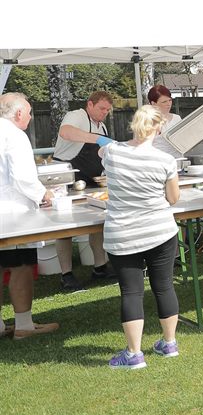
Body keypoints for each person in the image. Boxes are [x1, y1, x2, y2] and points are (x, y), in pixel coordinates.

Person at [100, 105, 182, 367]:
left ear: (134, 124)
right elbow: (173, 198)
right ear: (158, 128)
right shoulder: (165, 160)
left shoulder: (113, 152)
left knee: (131, 292)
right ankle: (169, 343)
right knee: (164, 286)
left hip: (123, 233)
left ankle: (134, 353)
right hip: (159, 230)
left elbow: (102, 149)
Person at [0, 93, 59, 340]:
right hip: (13, 213)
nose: (32, 117)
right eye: (30, 112)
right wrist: (44, 194)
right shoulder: (14, 135)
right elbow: (23, 177)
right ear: (19, 114)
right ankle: (24, 325)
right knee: (21, 266)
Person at [52, 90, 116, 292]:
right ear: (90, 104)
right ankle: (66, 274)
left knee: (97, 222)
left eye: (107, 110)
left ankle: (100, 266)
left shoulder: (102, 125)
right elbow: (66, 132)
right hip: (67, 178)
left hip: (91, 180)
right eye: (101, 108)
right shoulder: (77, 115)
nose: (104, 112)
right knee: (64, 227)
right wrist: (97, 139)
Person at [147, 84, 184, 158]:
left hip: (178, 162)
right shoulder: (146, 121)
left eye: (170, 100)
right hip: (158, 164)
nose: (168, 104)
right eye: (164, 102)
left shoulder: (177, 118)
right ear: (153, 103)